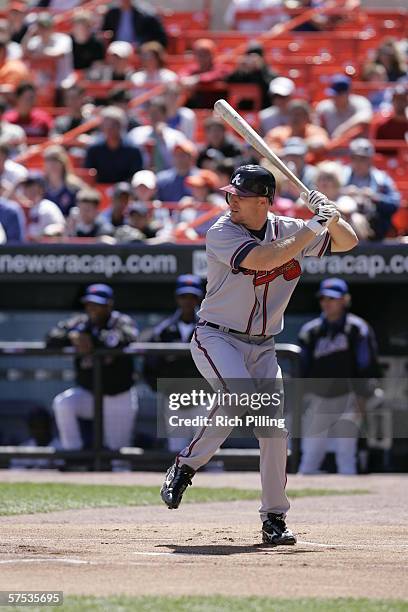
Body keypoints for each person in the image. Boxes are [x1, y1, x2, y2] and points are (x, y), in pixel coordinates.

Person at [160, 163, 358, 546]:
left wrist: (331, 214)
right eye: (230, 194)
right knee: (238, 397)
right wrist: (315, 226)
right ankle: (186, 464)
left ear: (265, 201)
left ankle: (274, 518)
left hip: (264, 345)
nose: (231, 200)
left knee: (274, 432)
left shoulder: (290, 227)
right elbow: (263, 260)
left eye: (241, 196)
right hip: (217, 336)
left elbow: (349, 241)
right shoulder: (221, 230)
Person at [297, 278, 380, 475]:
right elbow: (302, 368)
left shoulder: (357, 329)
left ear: (344, 300)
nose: (327, 302)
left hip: (348, 398)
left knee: (346, 455)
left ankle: (348, 504)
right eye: (323, 298)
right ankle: (300, 501)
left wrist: (362, 397)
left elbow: (366, 366)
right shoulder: (311, 331)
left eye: (332, 298)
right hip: (318, 398)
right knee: (310, 455)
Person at [46, 284, 139, 450]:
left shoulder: (121, 321)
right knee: (63, 404)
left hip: (117, 396)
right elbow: (51, 337)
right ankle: (72, 454)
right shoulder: (79, 322)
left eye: (98, 305)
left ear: (109, 305)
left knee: (118, 452)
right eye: (89, 304)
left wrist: (92, 339)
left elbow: (120, 339)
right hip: (89, 394)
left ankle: (119, 473)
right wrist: (72, 336)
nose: (92, 309)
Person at [144, 274, 203, 452]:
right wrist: (161, 388)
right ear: (177, 298)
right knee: (177, 452)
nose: (188, 301)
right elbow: (151, 364)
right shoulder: (163, 330)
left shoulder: (209, 326)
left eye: (192, 297)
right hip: (175, 398)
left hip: (205, 398)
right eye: (184, 296)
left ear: (198, 298)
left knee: (210, 453)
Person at [342, 138, 400, 240]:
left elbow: (395, 203)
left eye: (362, 159)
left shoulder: (381, 178)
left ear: (370, 160)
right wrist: (343, 193)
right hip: (345, 220)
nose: (358, 162)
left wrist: (374, 197)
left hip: (373, 224)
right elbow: (327, 197)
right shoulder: (341, 175)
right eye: (354, 158)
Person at [84, 106, 143, 183]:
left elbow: (135, 176)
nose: (109, 128)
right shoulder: (94, 149)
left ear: (121, 126)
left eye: (113, 125)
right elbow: (89, 174)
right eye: (106, 124)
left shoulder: (133, 150)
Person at [128, 97, 187, 172]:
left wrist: (162, 138)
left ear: (165, 115)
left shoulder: (177, 136)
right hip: (142, 173)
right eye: (151, 113)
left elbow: (179, 161)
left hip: (169, 175)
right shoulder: (136, 133)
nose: (154, 117)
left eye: (157, 114)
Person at [22, 12, 74, 86]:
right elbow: (24, 51)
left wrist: (36, 54)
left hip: (62, 82)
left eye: (46, 27)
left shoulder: (63, 38)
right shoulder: (35, 41)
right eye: (41, 27)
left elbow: (59, 54)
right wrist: (29, 34)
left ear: (53, 27)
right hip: (41, 84)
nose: (43, 30)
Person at [315, 74, 373, 139]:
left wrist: (341, 130)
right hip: (331, 144)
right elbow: (317, 128)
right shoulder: (323, 107)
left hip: (353, 143)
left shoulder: (360, 102)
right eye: (333, 95)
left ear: (348, 93)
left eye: (338, 95)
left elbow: (365, 118)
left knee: (362, 145)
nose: (334, 98)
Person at [101, 0, 167, 48]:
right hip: (116, 47)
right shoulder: (112, 13)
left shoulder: (145, 14)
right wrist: (106, 35)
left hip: (137, 48)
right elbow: (104, 30)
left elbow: (157, 35)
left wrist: (140, 43)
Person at [20, 171, 65, 241]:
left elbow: (61, 227)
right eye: (26, 186)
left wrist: (46, 233)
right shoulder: (19, 206)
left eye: (31, 185)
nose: (28, 189)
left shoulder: (48, 207)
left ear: (41, 189)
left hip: (43, 248)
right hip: (23, 248)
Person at [43, 145, 85, 216]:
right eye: (49, 160)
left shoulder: (74, 186)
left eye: (56, 159)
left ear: (63, 162)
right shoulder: (40, 186)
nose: (52, 164)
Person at [370, 84, 408, 151]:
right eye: (397, 99)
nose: (400, 102)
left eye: (403, 99)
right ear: (392, 101)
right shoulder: (382, 124)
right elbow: (376, 151)